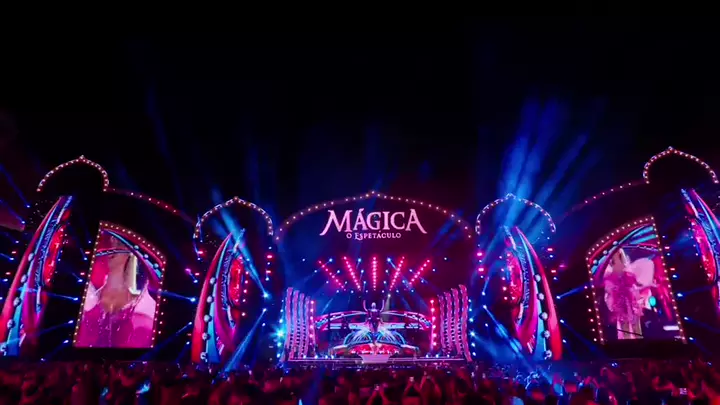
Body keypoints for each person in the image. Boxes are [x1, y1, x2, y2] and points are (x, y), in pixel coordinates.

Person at [75, 235, 156, 348]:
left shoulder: (144, 315)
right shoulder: (86, 300)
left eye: (118, 243)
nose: (111, 248)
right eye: (109, 242)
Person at [603, 249, 644, 340]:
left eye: (617, 252)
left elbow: (634, 285)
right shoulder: (609, 271)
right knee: (625, 327)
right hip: (619, 301)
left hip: (631, 300)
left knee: (636, 327)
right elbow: (609, 288)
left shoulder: (627, 268)